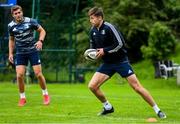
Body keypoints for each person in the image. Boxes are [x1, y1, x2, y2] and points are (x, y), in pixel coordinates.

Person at [87, 6, 166, 118]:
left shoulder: (110, 27)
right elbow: (93, 48)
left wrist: (105, 50)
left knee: (137, 87)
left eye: (92, 18)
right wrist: (92, 54)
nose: (91, 21)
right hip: (108, 64)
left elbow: (120, 44)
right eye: (90, 18)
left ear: (100, 17)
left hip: (120, 62)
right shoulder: (92, 31)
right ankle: (108, 107)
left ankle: (158, 110)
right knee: (92, 86)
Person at [8, 5, 50, 107]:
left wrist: (40, 41)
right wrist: (10, 53)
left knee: (38, 74)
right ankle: (22, 98)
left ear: (22, 12)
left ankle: (45, 95)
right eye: (15, 14)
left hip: (32, 51)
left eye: (19, 12)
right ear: (13, 15)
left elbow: (42, 31)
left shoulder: (30, 21)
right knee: (19, 75)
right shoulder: (11, 26)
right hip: (20, 53)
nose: (18, 15)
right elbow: (11, 39)